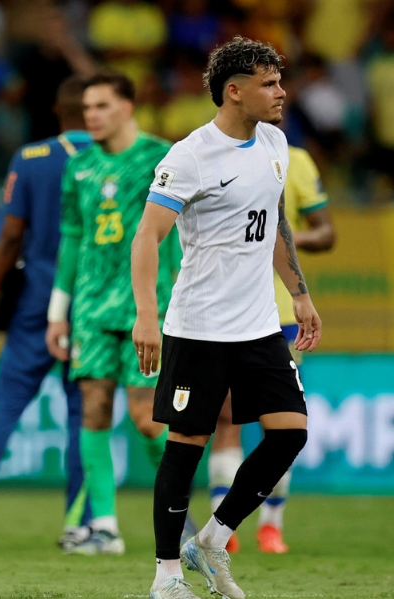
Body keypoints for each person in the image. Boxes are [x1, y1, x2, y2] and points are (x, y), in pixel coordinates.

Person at [132, 36, 321, 599]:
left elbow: (274, 224)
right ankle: (166, 575)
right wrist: (148, 314)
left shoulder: (276, 143)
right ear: (233, 91)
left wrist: (301, 294)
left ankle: (211, 541)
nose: (281, 91)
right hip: (198, 326)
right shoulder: (189, 156)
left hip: (260, 323)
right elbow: (148, 236)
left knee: (291, 433)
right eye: (268, 83)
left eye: (279, 81)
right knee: (187, 445)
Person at [0, 76, 92, 553]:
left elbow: (12, 234)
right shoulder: (116, 160)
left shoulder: (32, 158)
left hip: (36, 299)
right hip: (92, 303)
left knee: (6, 404)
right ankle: (80, 524)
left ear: (57, 110)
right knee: (83, 413)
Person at [44, 72, 178, 555]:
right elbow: (72, 239)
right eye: (87, 107)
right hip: (92, 311)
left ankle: (178, 513)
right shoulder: (79, 167)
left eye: (101, 106)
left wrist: (180, 298)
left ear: (127, 107)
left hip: (150, 306)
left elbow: (183, 234)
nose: (91, 116)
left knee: (148, 420)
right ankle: (105, 527)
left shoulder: (161, 158)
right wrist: (59, 312)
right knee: (93, 411)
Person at [208, 144, 335, 555]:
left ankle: (271, 525)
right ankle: (222, 529)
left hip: (276, 313)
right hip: (223, 309)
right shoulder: (210, 154)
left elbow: (325, 231)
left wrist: (279, 234)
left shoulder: (294, 160)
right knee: (226, 417)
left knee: (279, 424)